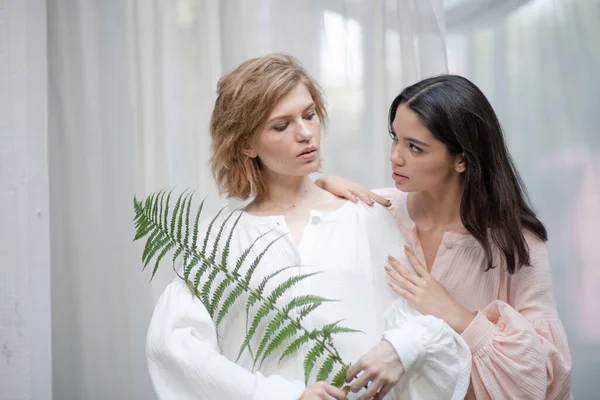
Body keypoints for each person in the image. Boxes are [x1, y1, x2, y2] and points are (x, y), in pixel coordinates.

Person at [145, 54, 471, 400]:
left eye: (310, 114)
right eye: (280, 126)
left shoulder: (364, 216)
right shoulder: (218, 241)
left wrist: (400, 348)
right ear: (246, 144)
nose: (305, 133)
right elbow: (173, 347)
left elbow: (422, 322)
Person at [316, 74, 572, 399]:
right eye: (396, 138)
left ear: (462, 158)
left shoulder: (516, 243)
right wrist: (321, 187)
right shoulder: (378, 211)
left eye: (415, 148)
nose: (395, 156)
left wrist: (457, 316)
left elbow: (546, 379)